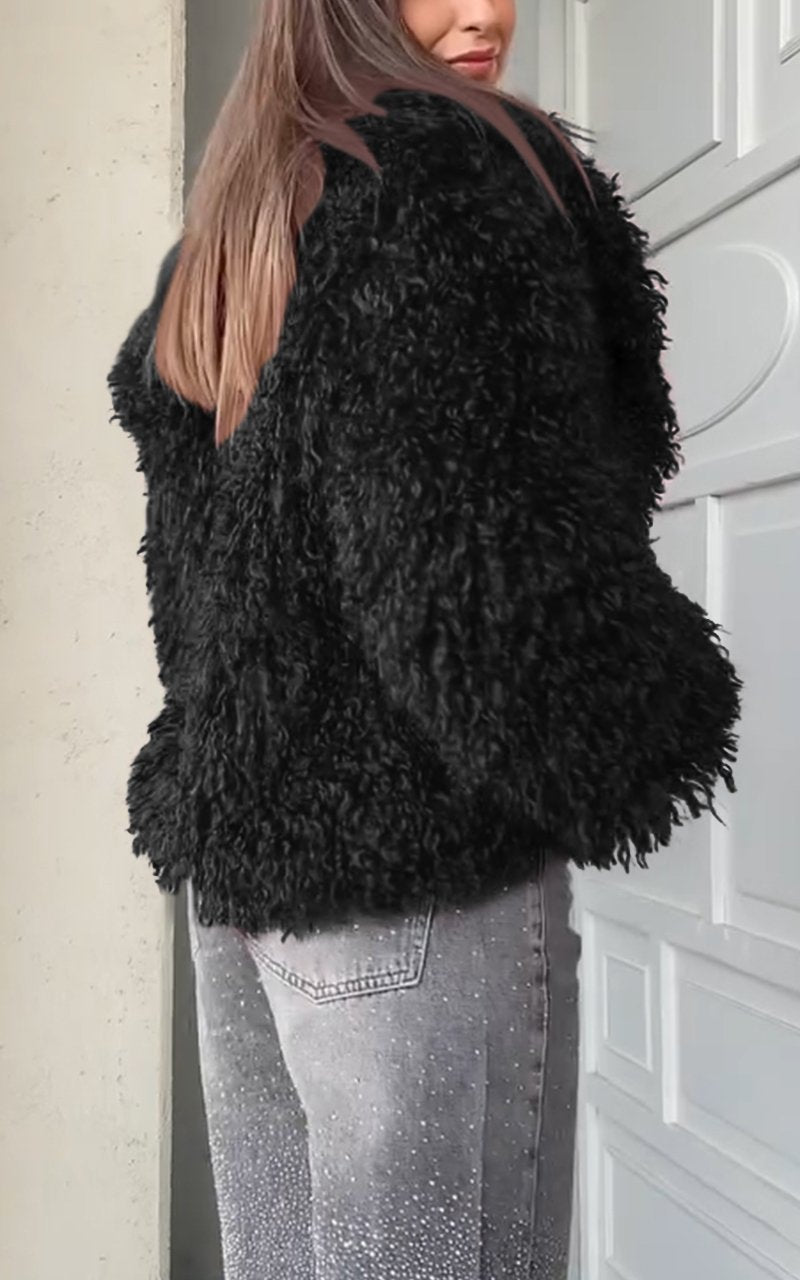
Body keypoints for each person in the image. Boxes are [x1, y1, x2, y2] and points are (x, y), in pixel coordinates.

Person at [107, 1, 743, 1276]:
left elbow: (202, 584)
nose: (485, 9)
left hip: (245, 884)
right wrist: (648, 718)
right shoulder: (436, 171)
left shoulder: (246, 219)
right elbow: (462, 566)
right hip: (410, 877)